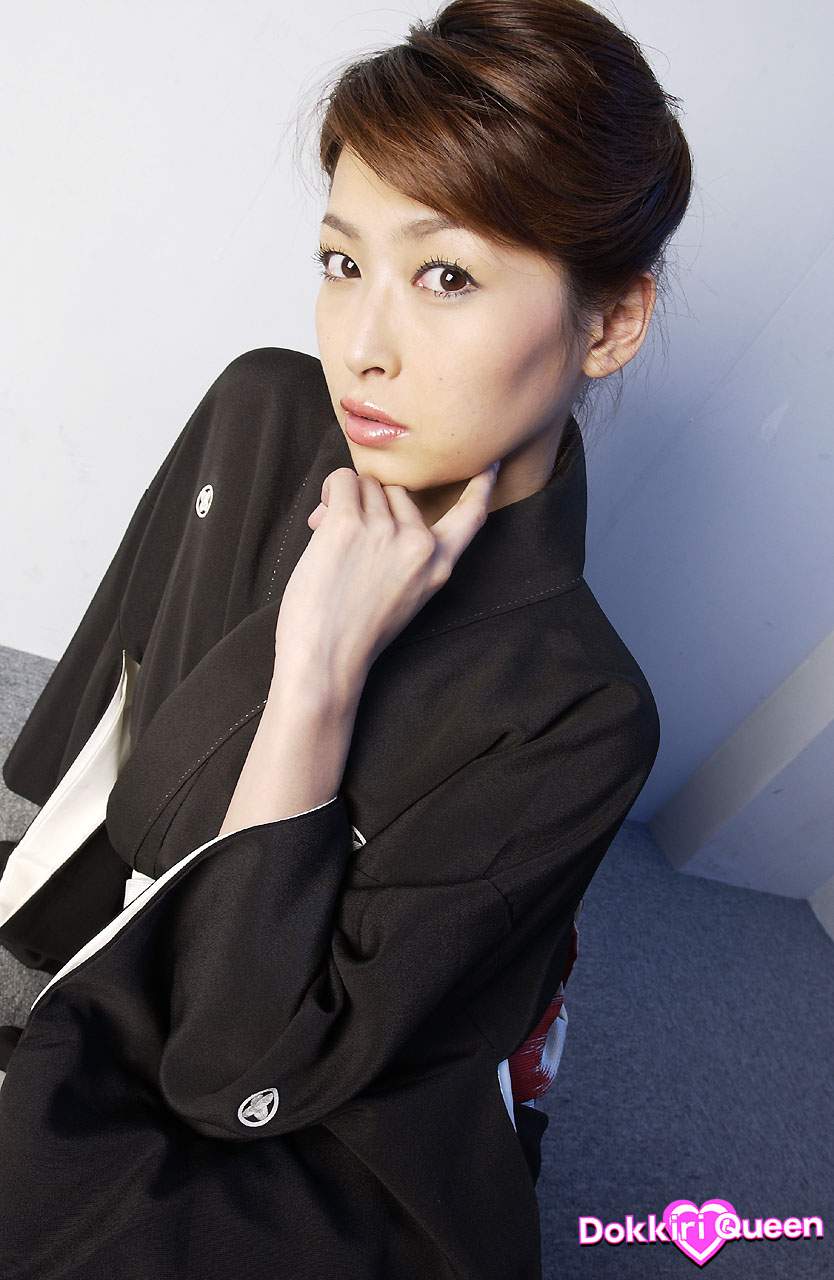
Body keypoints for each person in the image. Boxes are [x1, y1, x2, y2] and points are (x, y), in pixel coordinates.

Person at [0, 1, 692, 1276]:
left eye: (446, 276)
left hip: (316, 1136)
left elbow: (232, 1075)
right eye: (340, 261)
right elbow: (107, 725)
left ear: (609, 323)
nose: (361, 347)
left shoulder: (583, 711)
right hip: (124, 964)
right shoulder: (267, 407)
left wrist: (318, 668)